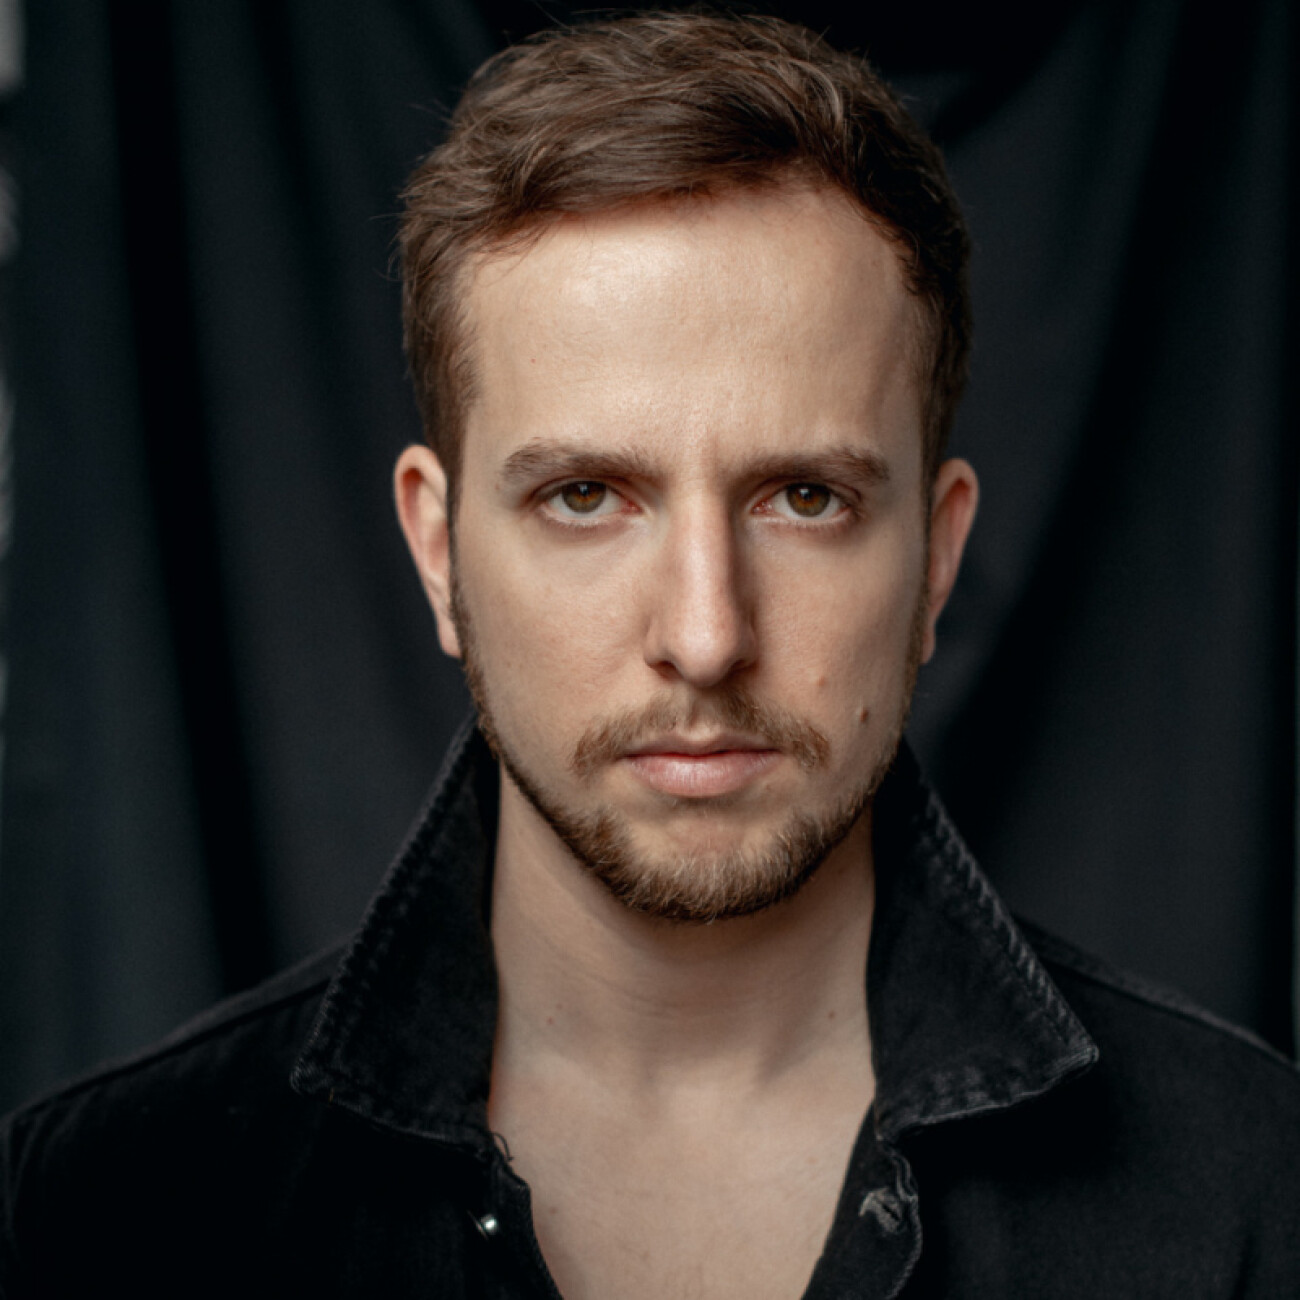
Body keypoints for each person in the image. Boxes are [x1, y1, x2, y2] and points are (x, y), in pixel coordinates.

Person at [2, 11, 1298, 1298]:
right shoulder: (92, 1215)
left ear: (937, 556)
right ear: (439, 553)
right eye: (585, 497)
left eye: (804, 499)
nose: (706, 636)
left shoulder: (1255, 1196)